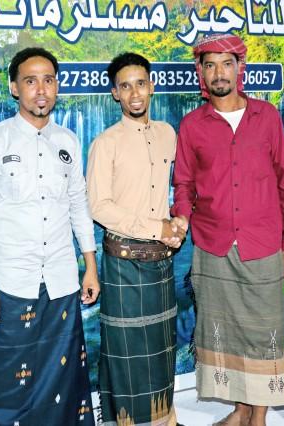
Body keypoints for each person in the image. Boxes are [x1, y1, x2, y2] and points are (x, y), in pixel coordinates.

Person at [171, 34, 284, 426]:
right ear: (201, 72)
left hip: (262, 243)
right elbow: (184, 184)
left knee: (263, 333)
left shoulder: (267, 116)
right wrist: (181, 217)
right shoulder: (192, 125)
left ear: (239, 69)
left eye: (226, 64)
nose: (219, 73)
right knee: (224, 333)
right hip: (212, 245)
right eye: (210, 65)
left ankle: (257, 416)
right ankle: (240, 409)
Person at [0, 47, 98, 425]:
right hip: (8, 283)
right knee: (3, 387)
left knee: (64, 382)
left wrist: (90, 266)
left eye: (48, 80)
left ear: (57, 86)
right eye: (30, 81)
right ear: (14, 88)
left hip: (61, 281)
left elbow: (78, 205)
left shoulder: (68, 141)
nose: (41, 90)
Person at [87, 52, 184, 426]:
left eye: (140, 84)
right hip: (123, 263)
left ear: (152, 86)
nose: (134, 93)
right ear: (115, 93)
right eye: (125, 87)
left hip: (162, 262)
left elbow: (180, 186)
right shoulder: (105, 143)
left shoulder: (167, 134)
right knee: (126, 356)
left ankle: (165, 419)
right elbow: (99, 207)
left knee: (163, 350)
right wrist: (156, 228)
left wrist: (177, 221)